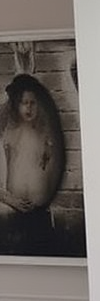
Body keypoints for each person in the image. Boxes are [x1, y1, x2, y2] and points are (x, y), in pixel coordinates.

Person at [0, 73, 66, 252]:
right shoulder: (9, 134)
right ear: (16, 105)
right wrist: (9, 199)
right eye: (24, 103)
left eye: (32, 103)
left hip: (40, 211)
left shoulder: (44, 135)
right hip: (12, 211)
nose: (29, 108)